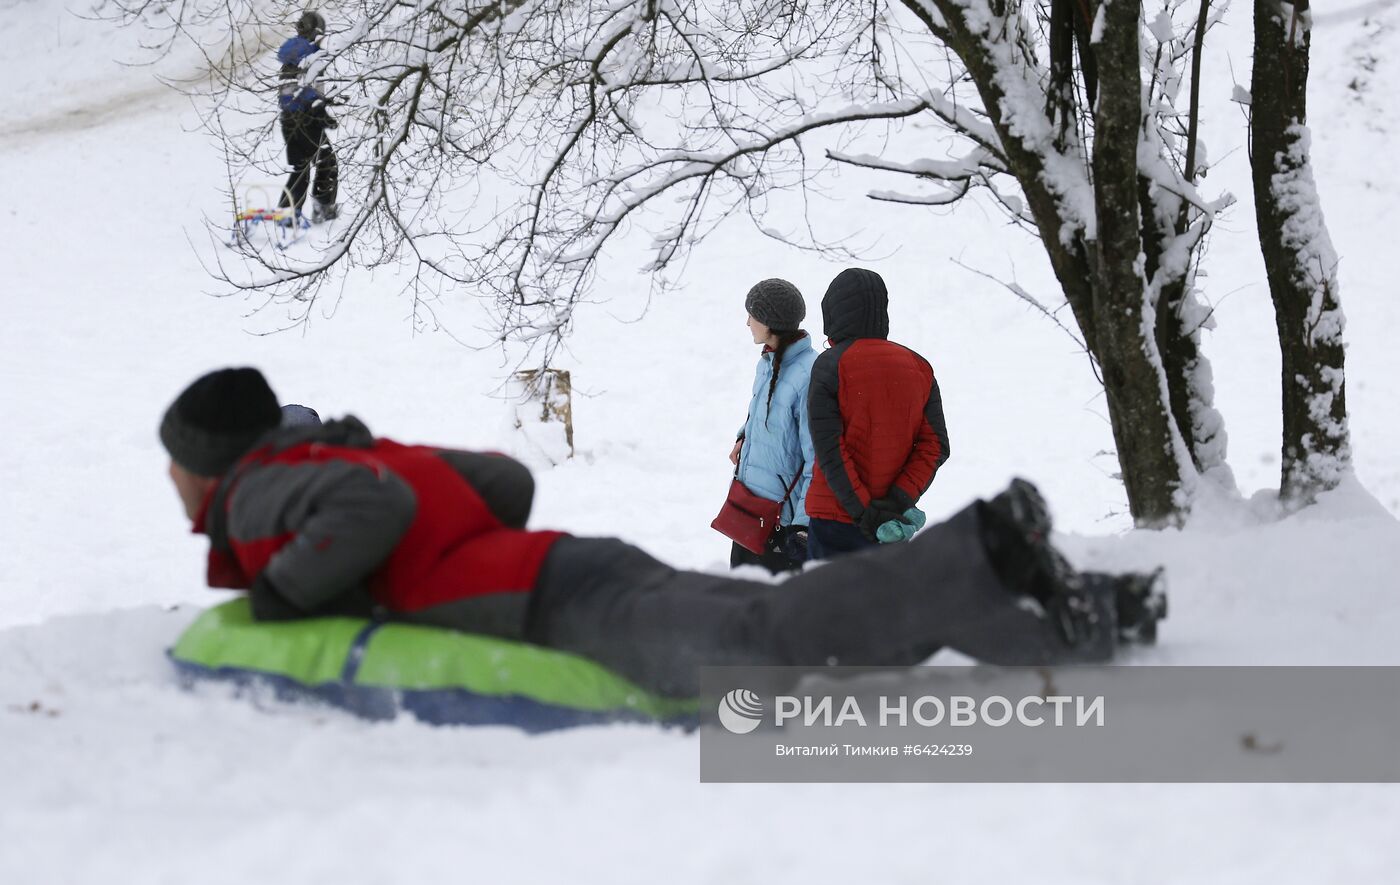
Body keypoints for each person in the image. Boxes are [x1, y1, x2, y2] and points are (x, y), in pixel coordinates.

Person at [159, 368, 1165, 699]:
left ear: (208, 461)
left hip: (551, 602)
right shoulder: (349, 452)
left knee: (765, 647)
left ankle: (982, 546)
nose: (173, 481)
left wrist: (289, 592)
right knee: (786, 624)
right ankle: (1055, 611)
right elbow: (503, 482)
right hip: (573, 563)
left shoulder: (258, 493)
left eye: (175, 463)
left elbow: (367, 521)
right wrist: (433, 549)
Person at [805, 267, 950, 559]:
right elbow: (935, 446)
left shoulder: (830, 365)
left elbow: (831, 450)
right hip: (891, 526)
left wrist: (864, 513)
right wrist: (897, 500)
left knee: (824, 604)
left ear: (832, 312)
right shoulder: (919, 367)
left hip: (835, 519)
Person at [725, 279, 818, 573]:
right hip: (749, 512)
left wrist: (802, 527)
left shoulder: (809, 375)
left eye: (752, 314)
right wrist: (745, 436)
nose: (747, 322)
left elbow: (816, 458)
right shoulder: (768, 361)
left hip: (781, 526)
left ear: (770, 321)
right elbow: (766, 412)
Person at [275, 10, 339, 223]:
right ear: (315, 32)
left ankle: (287, 212)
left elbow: (294, 89)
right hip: (306, 120)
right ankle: (324, 208)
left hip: (289, 120)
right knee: (327, 162)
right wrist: (320, 113)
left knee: (301, 167)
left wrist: (324, 106)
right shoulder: (310, 55)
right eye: (322, 34)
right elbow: (308, 90)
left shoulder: (293, 52)